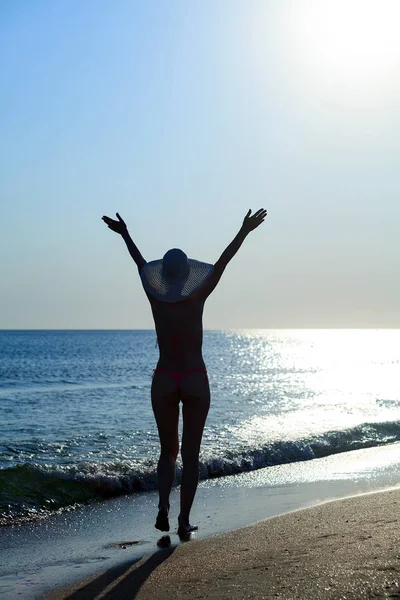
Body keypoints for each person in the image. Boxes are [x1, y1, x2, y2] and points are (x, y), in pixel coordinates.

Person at [102, 208, 267, 536]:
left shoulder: (154, 296)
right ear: (186, 274)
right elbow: (223, 262)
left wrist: (125, 234)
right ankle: (182, 520)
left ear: (163, 275)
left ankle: (163, 504)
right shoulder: (197, 296)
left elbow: (139, 263)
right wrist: (244, 230)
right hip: (194, 376)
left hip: (164, 377)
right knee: (190, 455)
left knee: (168, 451)